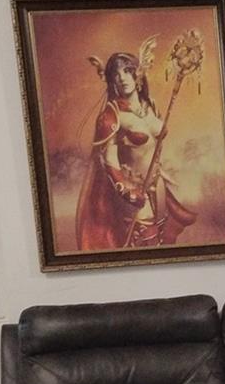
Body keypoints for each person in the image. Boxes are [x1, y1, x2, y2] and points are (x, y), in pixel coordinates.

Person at [74, 49, 198, 250]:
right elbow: (109, 161)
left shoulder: (151, 105)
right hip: (131, 190)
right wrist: (126, 191)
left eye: (127, 71)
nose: (122, 78)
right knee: (145, 245)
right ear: (111, 79)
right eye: (116, 73)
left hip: (157, 187)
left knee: (162, 246)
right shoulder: (110, 115)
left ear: (137, 73)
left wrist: (162, 170)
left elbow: (155, 148)